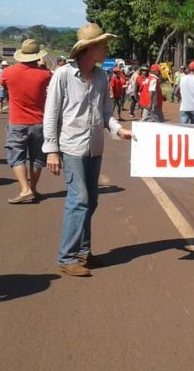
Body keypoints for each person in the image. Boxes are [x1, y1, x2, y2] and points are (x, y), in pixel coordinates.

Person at [42, 23, 132, 277]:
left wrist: (118, 129)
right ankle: (67, 256)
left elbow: (106, 112)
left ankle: (83, 251)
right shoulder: (63, 75)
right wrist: (51, 150)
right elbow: (51, 114)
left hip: (94, 147)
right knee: (79, 199)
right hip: (72, 146)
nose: (107, 49)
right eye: (103, 45)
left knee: (91, 200)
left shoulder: (101, 76)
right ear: (90, 48)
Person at [0, 39, 52, 204]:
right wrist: (43, 67)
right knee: (37, 158)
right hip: (39, 122)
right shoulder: (45, 74)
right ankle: (33, 189)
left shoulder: (8, 72)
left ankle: (25, 189)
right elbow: (50, 79)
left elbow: (3, 85)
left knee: (17, 156)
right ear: (38, 56)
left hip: (17, 122)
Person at [175, 60, 194, 124]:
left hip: (184, 108)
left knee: (183, 128)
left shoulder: (182, 78)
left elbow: (176, 92)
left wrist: (181, 98)